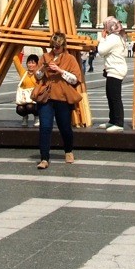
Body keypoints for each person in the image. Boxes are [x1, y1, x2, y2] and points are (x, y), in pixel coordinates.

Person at [36, 32, 84, 169]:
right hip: (46, 96)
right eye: (53, 46)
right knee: (45, 127)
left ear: (63, 46)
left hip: (62, 97)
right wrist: (42, 69)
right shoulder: (45, 56)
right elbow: (38, 77)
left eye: (58, 47)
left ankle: (68, 150)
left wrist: (60, 70)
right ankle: (44, 158)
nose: (55, 49)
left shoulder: (70, 59)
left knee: (65, 127)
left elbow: (75, 79)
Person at [97, 17, 128, 131]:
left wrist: (102, 38)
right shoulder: (118, 37)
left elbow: (101, 51)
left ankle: (118, 123)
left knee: (114, 97)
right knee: (110, 95)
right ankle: (113, 120)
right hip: (115, 69)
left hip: (115, 69)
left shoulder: (113, 38)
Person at [15, 54, 41, 125]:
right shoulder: (23, 73)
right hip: (24, 98)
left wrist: (44, 48)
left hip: (35, 101)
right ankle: (25, 117)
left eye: (33, 63)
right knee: (19, 109)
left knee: (30, 106)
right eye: (29, 62)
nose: (30, 65)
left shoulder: (39, 74)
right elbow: (15, 59)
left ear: (37, 64)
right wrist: (20, 46)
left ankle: (37, 117)